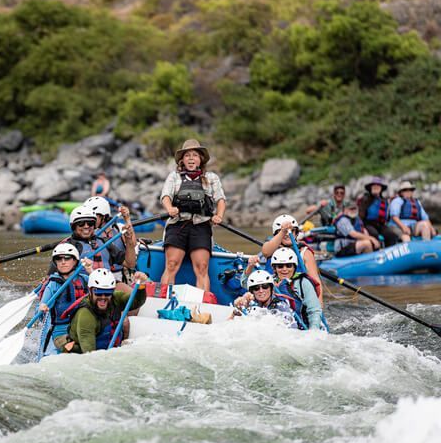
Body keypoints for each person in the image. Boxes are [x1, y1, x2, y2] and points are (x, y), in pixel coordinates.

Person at [160, 139, 226, 291]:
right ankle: (165, 299)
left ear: (200, 159)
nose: (191, 158)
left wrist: (219, 215)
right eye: (187, 155)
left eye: (195, 155)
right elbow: (166, 196)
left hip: (201, 225)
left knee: (202, 267)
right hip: (178, 224)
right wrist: (170, 208)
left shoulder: (211, 178)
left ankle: (201, 307)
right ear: (182, 160)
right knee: (171, 264)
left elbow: (220, 200)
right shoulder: (174, 177)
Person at [58, 268, 148, 354]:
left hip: (108, 349)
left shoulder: (116, 298)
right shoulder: (85, 315)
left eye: (108, 293)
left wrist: (141, 286)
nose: (103, 297)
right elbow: (89, 353)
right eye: (98, 292)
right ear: (90, 291)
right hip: (83, 351)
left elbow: (137, 301)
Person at [39, 244, 92, 356]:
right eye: (59, 259)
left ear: (75, 261)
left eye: (67, 258)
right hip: (62, 332)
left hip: (83, 328)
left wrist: (91, 270)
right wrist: (42, 308)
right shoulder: (53, 285)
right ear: (55, 262)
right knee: (75, 349)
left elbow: (104, 290)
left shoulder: (85, 279)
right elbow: (41, 312)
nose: (63, 262)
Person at [261, 214, 323, 305]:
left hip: (296, 296)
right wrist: (283, 231)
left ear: (296, 233)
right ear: (276, 234)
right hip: (272, 295)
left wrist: (319, 303)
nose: (287, 234)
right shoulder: (271, 248)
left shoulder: (304, 252)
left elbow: (315, 279)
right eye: (282, 232)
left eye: (291, 231)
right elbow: (266, 252)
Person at [52, 205, 125, 274]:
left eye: (90, 223)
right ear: (73, 226)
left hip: (106, 284)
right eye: (81, 223)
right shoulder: (66, 246)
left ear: (94, 226)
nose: (86, 226)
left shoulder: (105, 242)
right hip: (81, 285)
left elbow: (130, 264)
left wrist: (129, 239)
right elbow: (53, 276)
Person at [83, 196, 137, 284]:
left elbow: (133, 244)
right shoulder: (90, 233)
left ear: (104, 217)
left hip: (119, 274)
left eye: (94, 216)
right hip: (99, 275)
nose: (90, 219)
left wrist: (127, 219)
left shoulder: (118, 228)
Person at [270, 247, 323, 330]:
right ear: (274, 268)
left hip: (302, 328)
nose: (284, 269)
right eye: (280, 266)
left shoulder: (303, 283)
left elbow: (314, 310)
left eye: (288, 265)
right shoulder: (269, 282)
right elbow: (248, 286)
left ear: (294, 267)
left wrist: (313, 332)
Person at [232, 269, 298, 328]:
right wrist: (236, 311)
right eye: (256, 288)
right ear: (252, 291)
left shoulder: (281, 307)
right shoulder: (251, 305)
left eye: (265, 286)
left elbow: (292, 330)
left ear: (271, 289)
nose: (261, 290)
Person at [357, 176, 399, 247]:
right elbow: (360, 215)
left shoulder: (384, 201)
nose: (376, 187)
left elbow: (387, 217)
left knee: (392, 235)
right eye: (374, 186)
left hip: (381, 225)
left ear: (381, 189)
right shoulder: (365, 199)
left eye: (378, 185)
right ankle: (375, 252)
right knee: (374, 234)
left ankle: (389, 253)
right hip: (368, 224)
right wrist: (362, 227)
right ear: (370, 188)